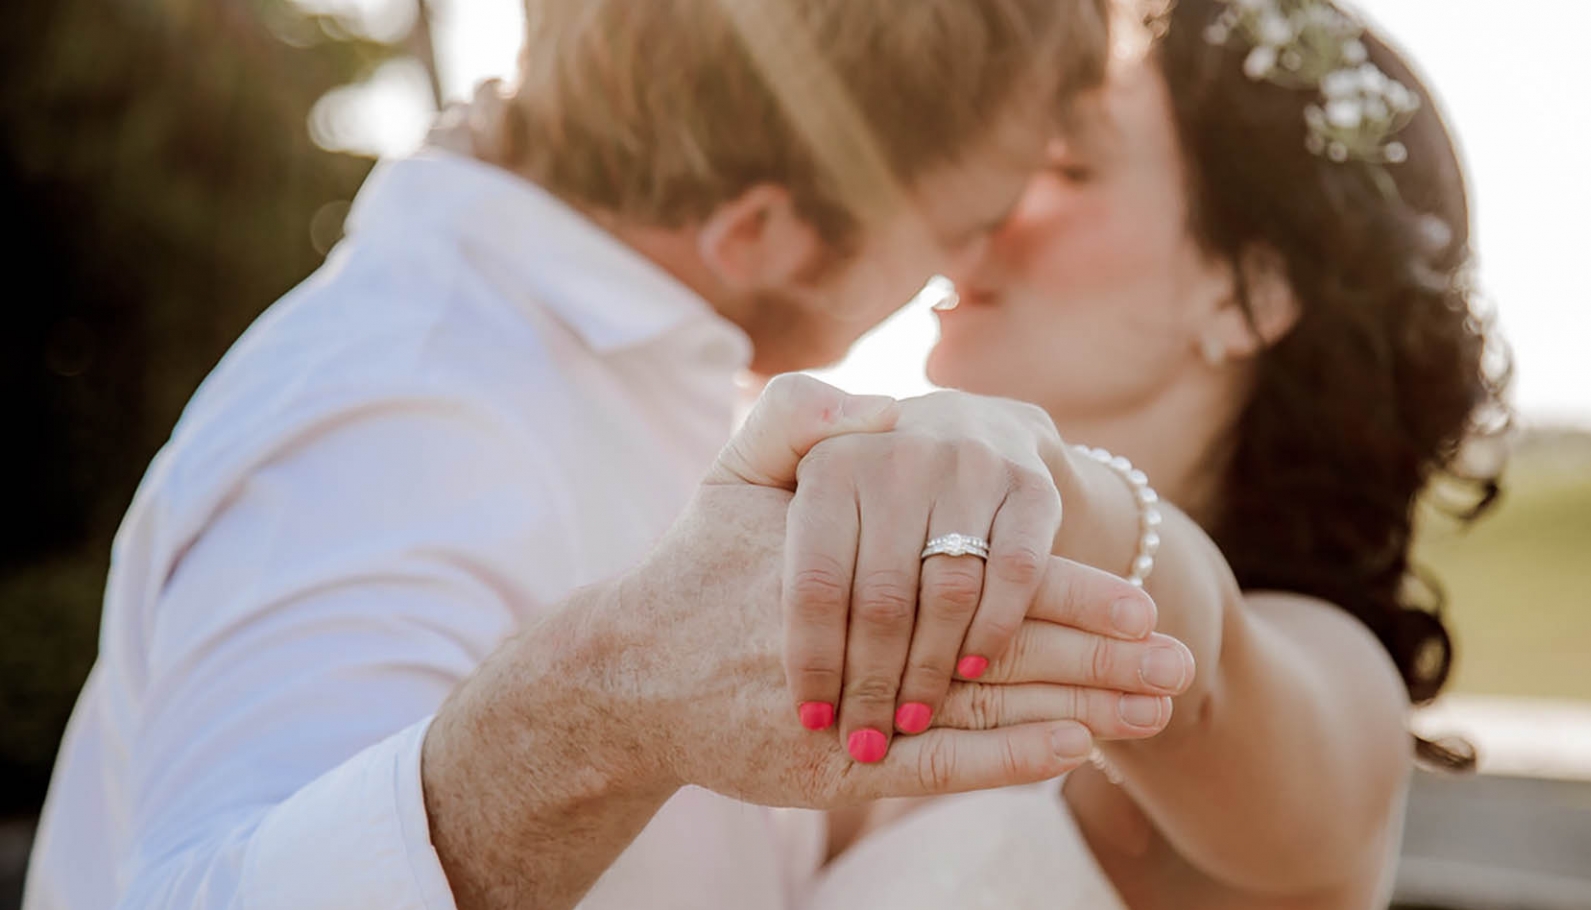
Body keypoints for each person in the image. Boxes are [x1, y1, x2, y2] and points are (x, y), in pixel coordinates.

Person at [25, 2, 1191, 909]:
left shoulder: (660, 384)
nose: (964, 271)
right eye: (959, 229)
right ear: (760, 232)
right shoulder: (393, 409)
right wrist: (597, 712)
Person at [792, 1, 1507, 908]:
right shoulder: (917, 618)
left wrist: (1060, 492)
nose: (991, 200)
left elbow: (1199, 672)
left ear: (1246, 294)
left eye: (1067, 167)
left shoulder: (1337, 687)